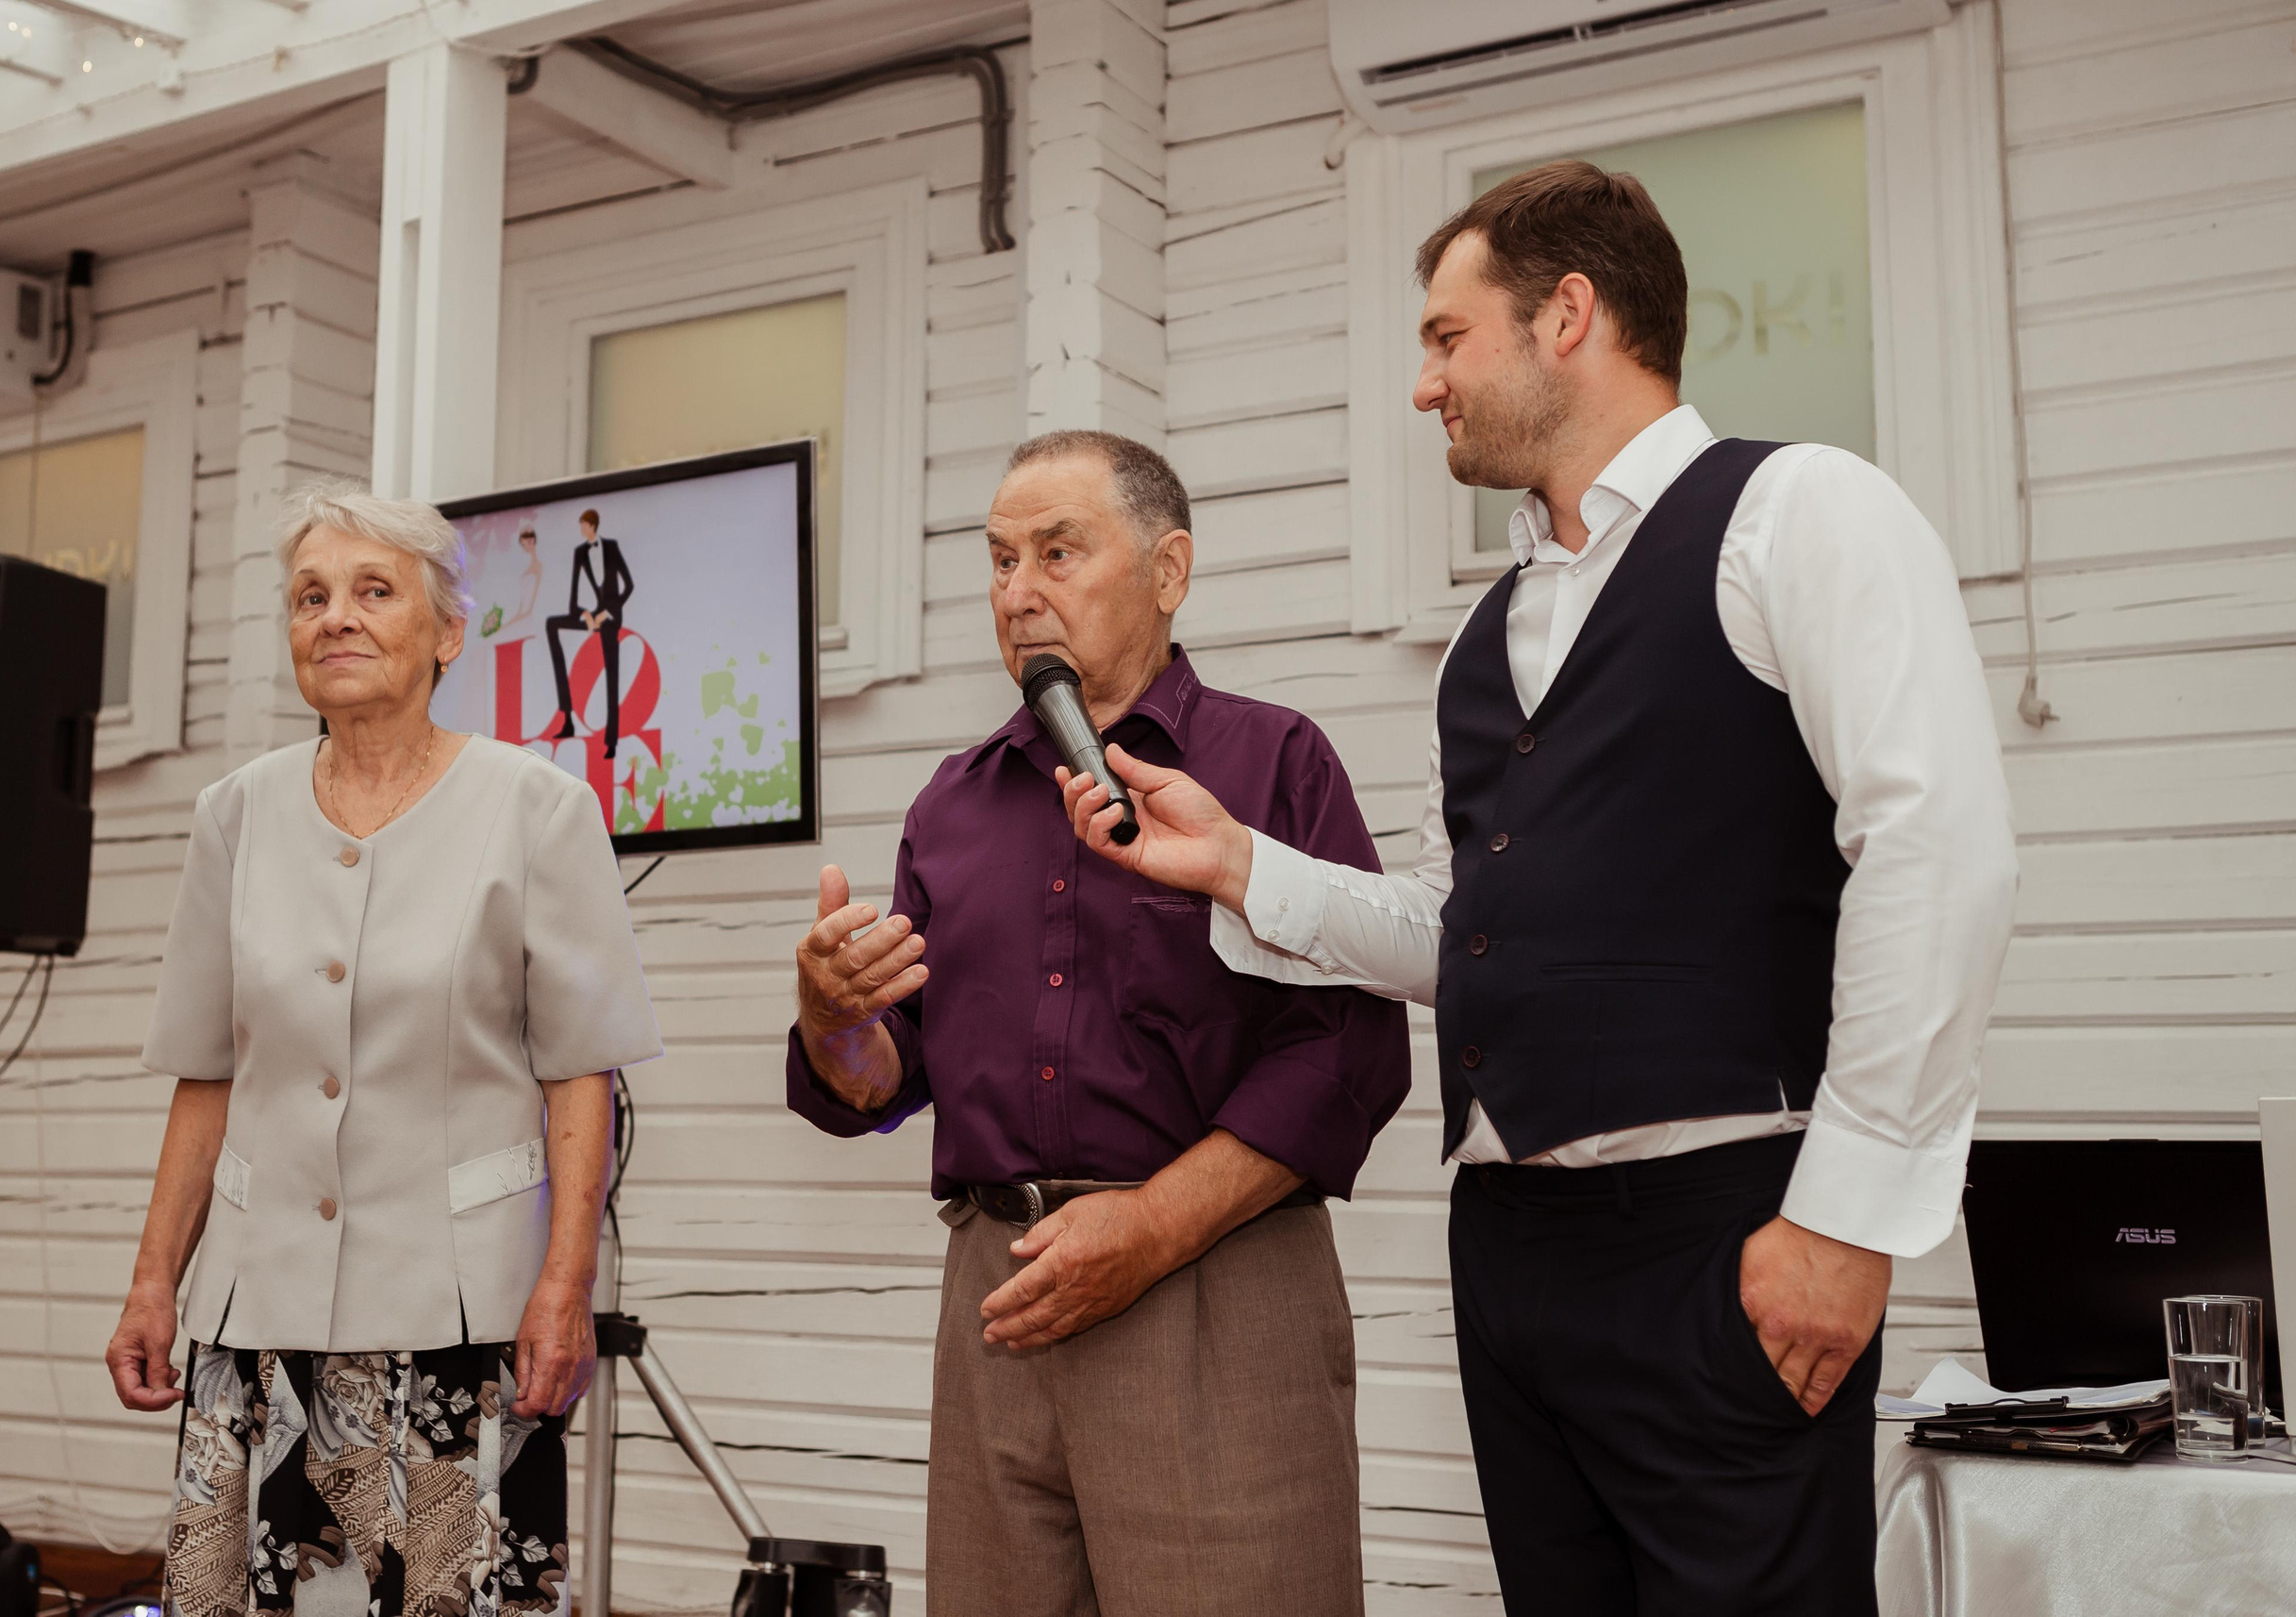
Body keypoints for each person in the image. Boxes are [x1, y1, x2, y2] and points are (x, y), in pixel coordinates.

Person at [1056, 162, 2019, 1614]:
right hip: (1509, 1254)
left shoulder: (1798, 513)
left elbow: (1939, 847)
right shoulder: (1483, 636)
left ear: (1568, 313)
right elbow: (1480, 930)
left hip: (1723, 1231)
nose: (1428, 384)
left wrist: (1846, 1219)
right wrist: (1239, 864)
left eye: (1448, 338)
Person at [785, 430, 1410, 1616]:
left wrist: (1153, 1228)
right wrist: (831, 1015)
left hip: (1212, 1287)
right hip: (1000, 1293)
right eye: (998, 559)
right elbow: (884, 1077)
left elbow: (1348, 1052)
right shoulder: (951, 803)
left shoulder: (1271, 761)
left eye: (1056, 552)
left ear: (1167, 571)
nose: (1016, 592)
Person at [106, 483, 662, 1617]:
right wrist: (153, 1279)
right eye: (311, 596)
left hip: (459, 1321)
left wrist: (566, 1282)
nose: (337, 617)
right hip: (255, 1317)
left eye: (373, 591)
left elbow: (580, 1072)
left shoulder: (538, 810)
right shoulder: (234, 815)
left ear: (448, 632)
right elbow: (207, 1073)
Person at [545, 508, 633, 757]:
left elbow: (628, 585)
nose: (581, 529)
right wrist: (583, 613)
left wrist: (608, 613)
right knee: (552, 625)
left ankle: (612, 741)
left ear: (592, 526)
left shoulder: (612, 548)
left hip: (609, 617)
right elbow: (575, 590)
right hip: (590, 615)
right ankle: (568, 718)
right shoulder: (580, 552)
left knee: (612, 672)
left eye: (583, 525)